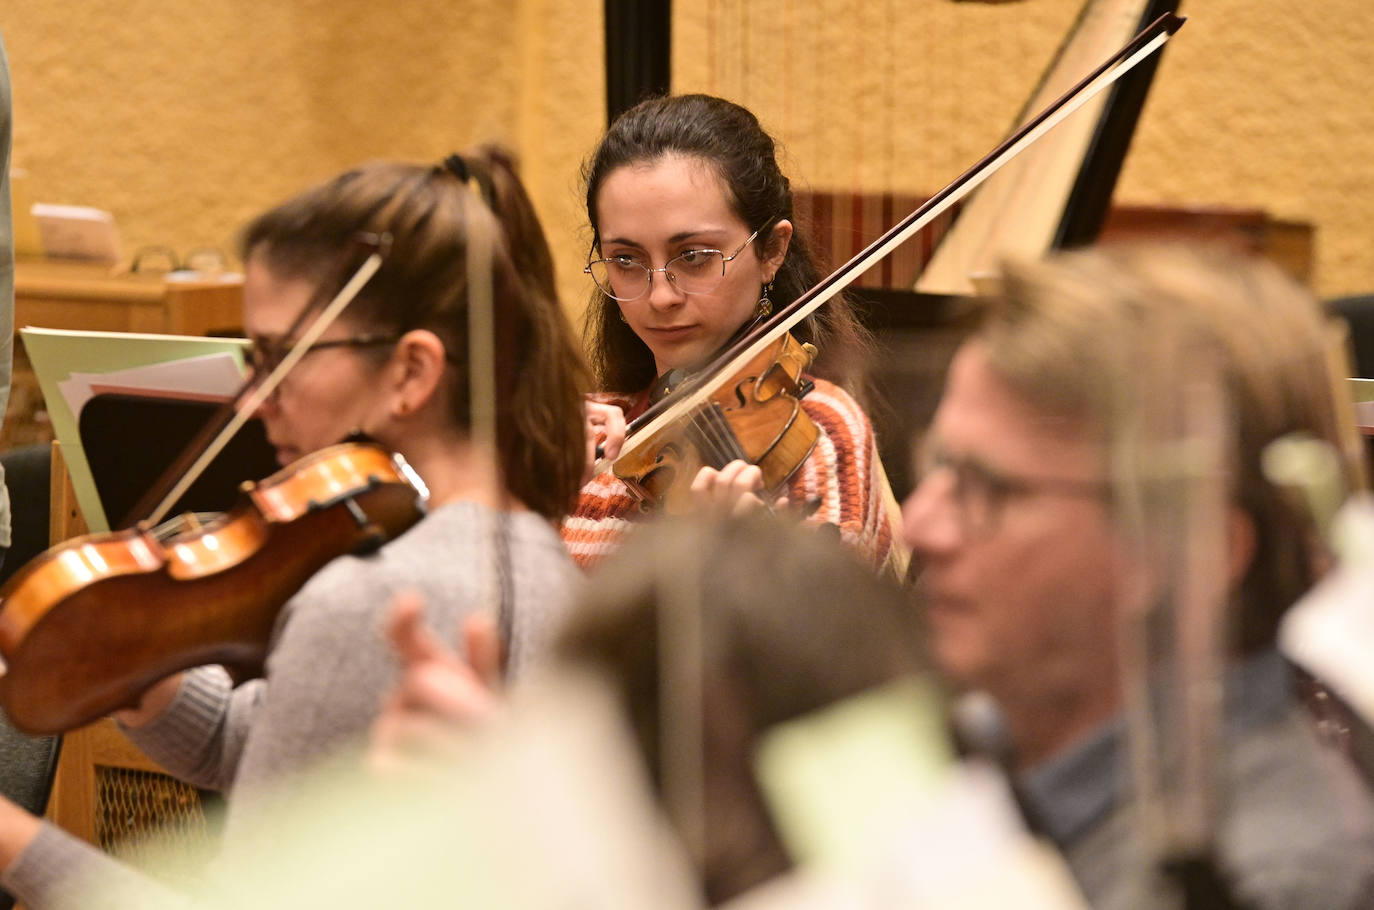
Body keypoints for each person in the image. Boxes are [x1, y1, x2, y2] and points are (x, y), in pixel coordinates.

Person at [0, 149, 590, 908]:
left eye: (281, 358)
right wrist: (141, 669)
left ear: (412, 372)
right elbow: (302, 750)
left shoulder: (371, 597)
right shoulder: (539, 554)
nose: (254, 399)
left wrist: (16, 843)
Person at [901, 243, 1374, 908]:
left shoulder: (1267, 881)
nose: (921, 527)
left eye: (988, 489)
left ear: (1193, 549)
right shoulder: (964, 738)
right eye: (939, 465)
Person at [562, 94, 902, 575]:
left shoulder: (818, 431)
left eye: (695, 256)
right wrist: (533, 503)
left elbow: (828, 640)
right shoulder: (590, 442)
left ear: (772, 251)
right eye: (626, 260)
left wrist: (726, 561)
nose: (660, 296)